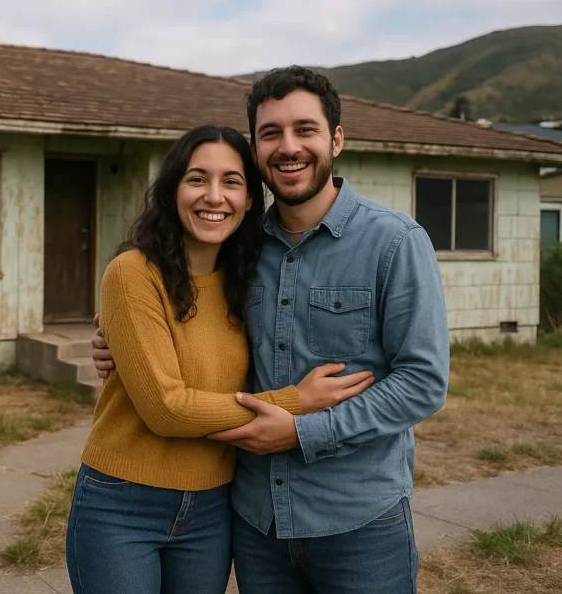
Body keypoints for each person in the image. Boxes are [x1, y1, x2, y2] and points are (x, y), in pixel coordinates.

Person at [91, 66, 450, 593]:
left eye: (305, 129)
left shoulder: (394, 242)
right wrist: (116, 341)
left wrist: (302, 429)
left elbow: (422, 381)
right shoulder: (238, 247)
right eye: (270, 133)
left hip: (358, 522)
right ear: (257, 150)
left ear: (336, 139)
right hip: (257, 523)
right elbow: (184, 320)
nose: (289, 147)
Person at [67, 124, 375, 594]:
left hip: (212, 507)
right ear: (172, 191)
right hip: (122, 502)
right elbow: (166, 408)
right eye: (197, 179)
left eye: (232, 182)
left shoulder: (249, 280)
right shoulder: (133, 273)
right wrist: (297, 401)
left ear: (251, 198)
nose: (214, 196)